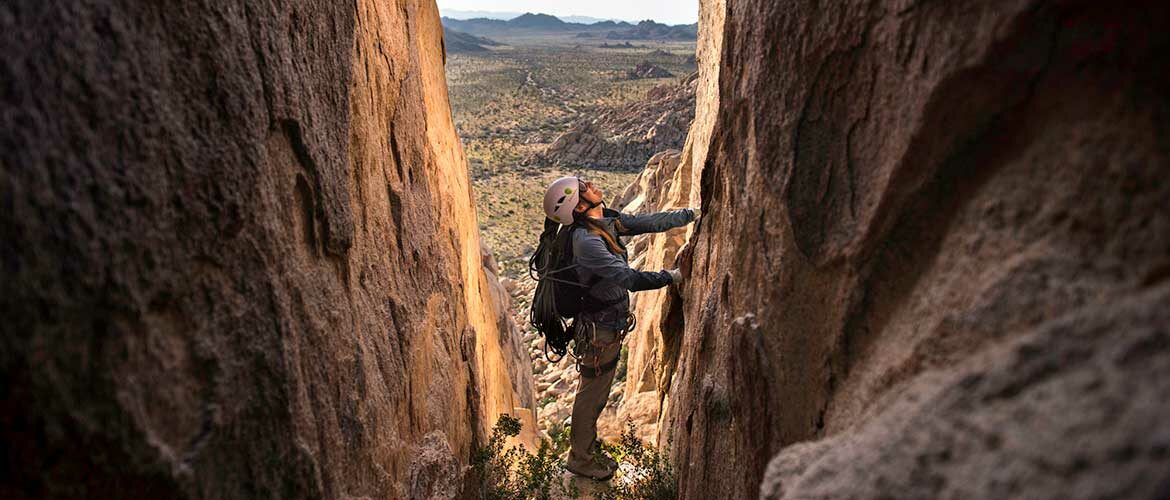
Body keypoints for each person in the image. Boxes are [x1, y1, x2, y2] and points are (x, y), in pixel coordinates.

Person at [541, 175, 698, 480]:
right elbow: (629, 279)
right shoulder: (587, 242)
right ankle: (581, 459)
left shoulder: (604, 222)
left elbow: (644, 222)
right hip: (599, 331)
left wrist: (689, 215)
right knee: (592, 396)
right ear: (579, 206)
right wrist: (674, 276)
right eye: (584, 187)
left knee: (595, 393)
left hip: (606, 326)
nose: (591, 185)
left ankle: (585, 450)